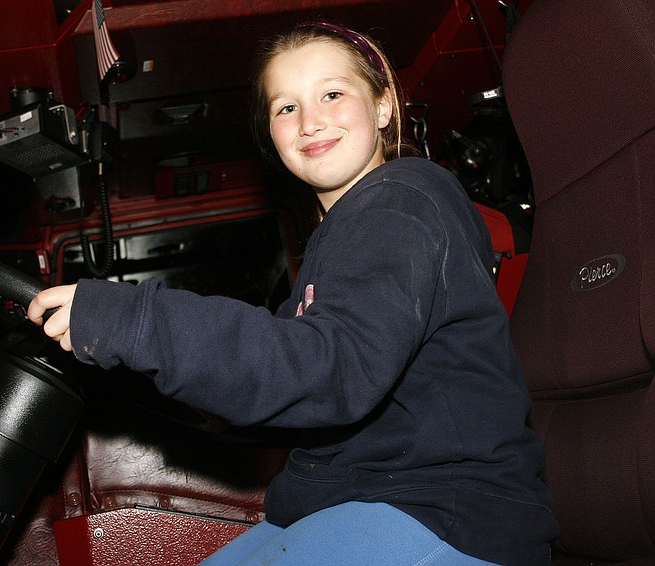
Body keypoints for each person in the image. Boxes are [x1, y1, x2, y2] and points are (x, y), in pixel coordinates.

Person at [28, 21, 557, 565]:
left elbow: (330, 370)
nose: (309, 121)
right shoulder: (338, 240)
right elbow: (284, 381)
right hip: (357, 500)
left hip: (446, 511)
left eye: (332, 94)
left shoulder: (404, 200)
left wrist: (137, 323)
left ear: (382, 107)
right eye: (286, 108)